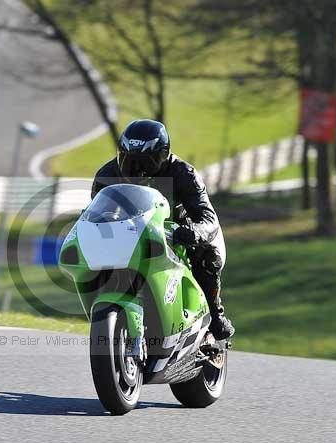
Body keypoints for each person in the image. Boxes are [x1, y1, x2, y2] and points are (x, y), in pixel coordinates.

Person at [91, 119, 235, 341]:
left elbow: (208, 217)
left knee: (209, 258)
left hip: (177, 235)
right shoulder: (107, 175)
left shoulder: (184, 173)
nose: (138, 170)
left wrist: (193, 232)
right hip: (129, 233)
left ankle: (215, 315)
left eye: (147, 162)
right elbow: (96, 213)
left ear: (164, 155)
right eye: (130, 161)